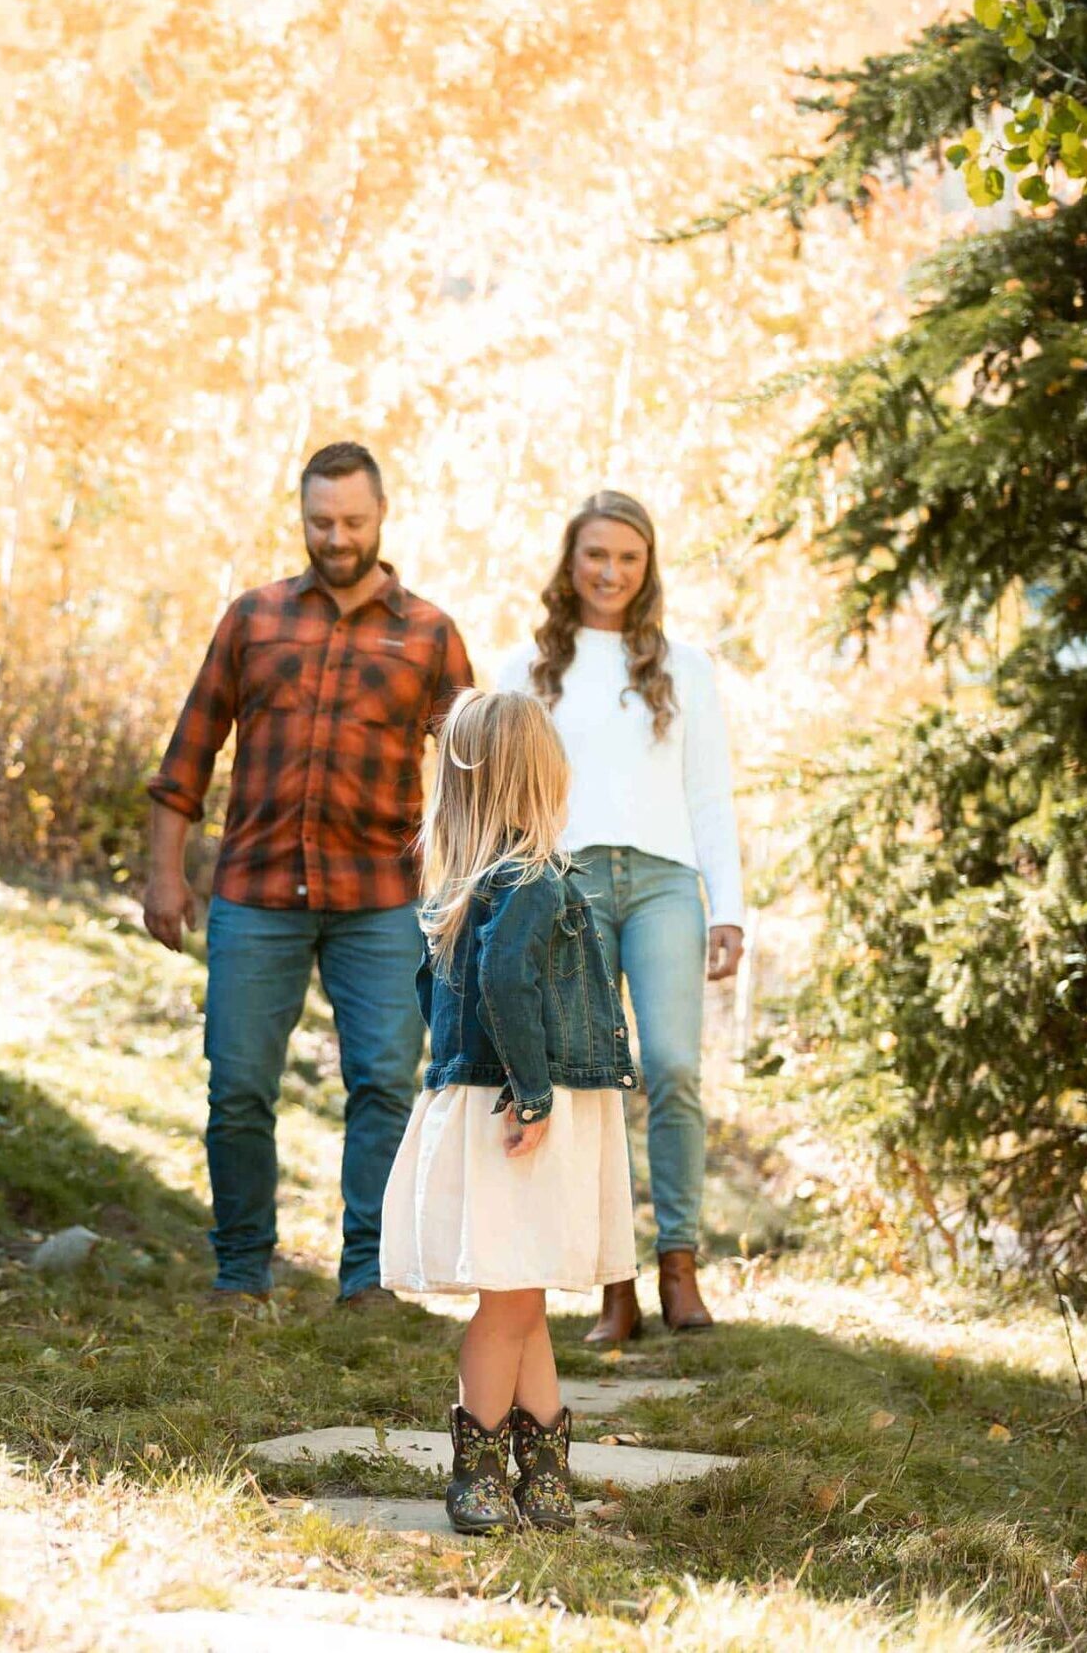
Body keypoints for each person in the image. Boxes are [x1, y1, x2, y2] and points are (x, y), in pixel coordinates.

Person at [144, 441, 473, 1309]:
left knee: (381, 1085)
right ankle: (241, 1272)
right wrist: (163, 875)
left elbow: (471, 771)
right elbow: (188, 751)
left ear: (381, 516)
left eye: (352, 521)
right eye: (319, 521)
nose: (335, 537)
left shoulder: (430, 633)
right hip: (255, 894)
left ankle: (368, 1277)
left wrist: (472, 887)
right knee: (239, 1086)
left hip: (379, 901)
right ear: (301, 516)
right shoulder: (251, 619)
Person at [379, 690, 638, 1534]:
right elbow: (503, 985)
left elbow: (442, 1003)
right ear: (541, 777)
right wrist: (528, 1090)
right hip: (523, 1107)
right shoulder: (530, 878)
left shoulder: (470, 883)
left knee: (521, 1298)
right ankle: (481, 1465)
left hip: (490, 1099)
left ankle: (540, 1468)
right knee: (507, 1303)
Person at [497, 491, 744, 1341]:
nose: (609, 571)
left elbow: (709, 796)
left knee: (671, 1065)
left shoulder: (686, 666)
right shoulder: (524, 669)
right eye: (595, 554)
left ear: (647, 568)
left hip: (665, 882)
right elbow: (500, 797)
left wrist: (729, 908)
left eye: (627, 558)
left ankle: (680, 1266)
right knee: (593, 1083)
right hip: (564, 888)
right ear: (570, 561)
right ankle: (614, 1283)